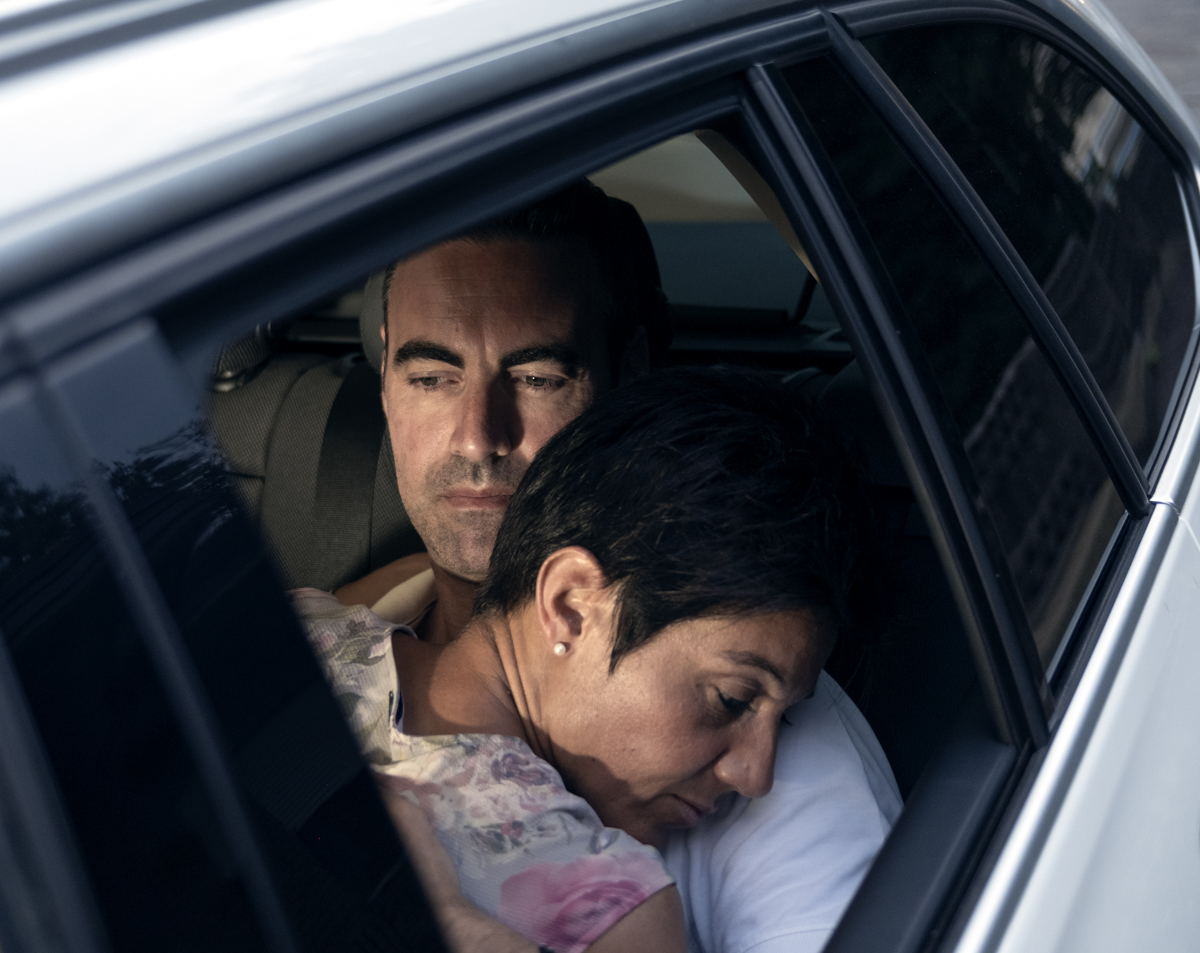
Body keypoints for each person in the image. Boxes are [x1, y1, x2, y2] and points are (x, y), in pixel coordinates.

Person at [336, 180, 901, 953]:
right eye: (431, 376)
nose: (476, 436)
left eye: (538, 378)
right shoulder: (326, 618)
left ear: (625, 376)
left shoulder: (796, 779)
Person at [297, 367, 874, 953]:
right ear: (570, 605)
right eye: (731, 699)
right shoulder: (608, 911)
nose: (756, 776)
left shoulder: (287, 634)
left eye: (784, 717)